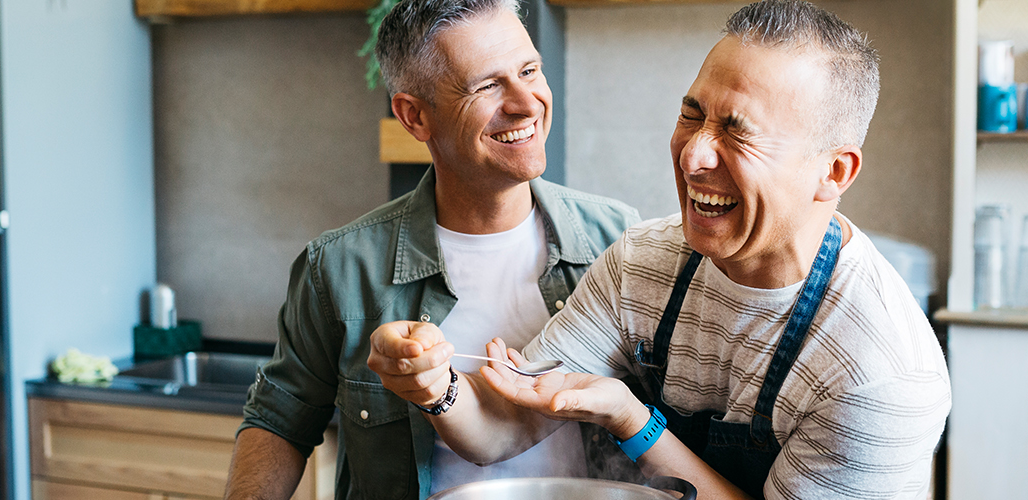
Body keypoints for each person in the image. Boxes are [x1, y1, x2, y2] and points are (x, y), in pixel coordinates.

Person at [366, 1, 952, 498]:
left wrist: (635, 422)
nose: (693, 156)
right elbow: (501, 429)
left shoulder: (879, 373)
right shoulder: (642, 263)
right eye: (691, 115)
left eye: (738, 132)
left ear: (834, 171)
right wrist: (434, 385)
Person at [222, 0, 641, 497]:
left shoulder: (620, 240)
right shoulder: (338, 268)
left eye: (530, 70)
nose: (526, 103)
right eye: (487, 85)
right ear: (415, 116)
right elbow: (278, 422)